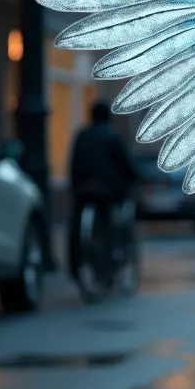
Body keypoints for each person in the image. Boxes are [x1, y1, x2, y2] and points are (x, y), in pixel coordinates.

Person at [68, 100, 138, 278]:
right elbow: (126, 166)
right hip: (107, 192)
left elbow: (73, 164)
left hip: (82, 191)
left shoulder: (81, 135)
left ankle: (76, 264)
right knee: (112, 220)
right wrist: (134, 178)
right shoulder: (112, 136)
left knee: (75, 225)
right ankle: (112, 254)